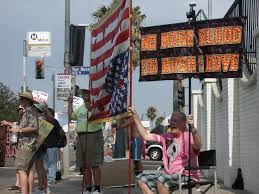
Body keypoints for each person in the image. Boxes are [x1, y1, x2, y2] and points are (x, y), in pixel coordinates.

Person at [129, 107, 202, 194]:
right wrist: (136, 118)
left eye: (175, 120)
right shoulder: (166, 136)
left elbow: (198, 145)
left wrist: (193, 129)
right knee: (141, 178)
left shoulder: (188, 136)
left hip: (186, 175)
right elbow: (146, 136)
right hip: (169, 174)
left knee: (162, 180)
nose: (172, 123)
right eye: (171, 121)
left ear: (183, 123)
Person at [68, 89, 104, 194]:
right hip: (81, 136)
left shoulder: (96, 106)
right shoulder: (80, 108)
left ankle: (97, 188)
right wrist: (70, 103)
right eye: (83, 93)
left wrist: (92, 108)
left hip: (93, 135)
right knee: (84, 165)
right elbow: (71, 116)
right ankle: (88, 188)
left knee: (94, 164)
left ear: (91, 94)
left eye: (86, 93)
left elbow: (101, 113)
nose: (84, 95)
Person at [2, 91, 39, 194]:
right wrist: (11, 124)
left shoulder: (30, 112)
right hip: (28, 145)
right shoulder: (28, 112)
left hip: (26, 146)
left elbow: (34, 127)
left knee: (21, 170)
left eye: (22, 99)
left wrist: (20, 130)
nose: (20, 100)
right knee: (27, 171)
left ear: (28, 101)